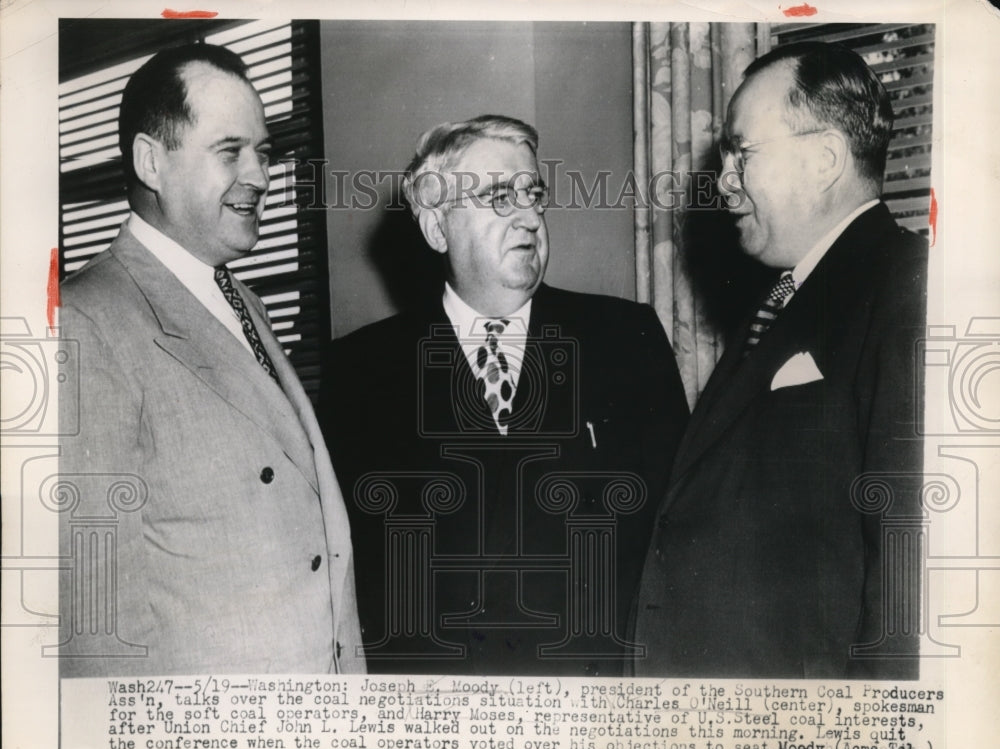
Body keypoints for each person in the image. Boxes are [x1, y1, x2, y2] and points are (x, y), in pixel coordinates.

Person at [321, 115, 689, 675]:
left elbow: (677, 539)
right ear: (437, 228)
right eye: (498, 196)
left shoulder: (626, 339)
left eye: (533, 194)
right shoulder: (362, 371)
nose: (529, 217)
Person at [57, 44, 364, 676]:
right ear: (151, 162)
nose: (260, 175)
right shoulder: (85, 325)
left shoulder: (243, 301)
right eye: (230, 152)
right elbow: (95, 631)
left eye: (265, 152)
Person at [633, 42, 927, 679]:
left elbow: (913, 566)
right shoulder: (786, 296)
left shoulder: (910, 288)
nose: (724, 180)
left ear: (824, 159)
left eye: (743, 153)